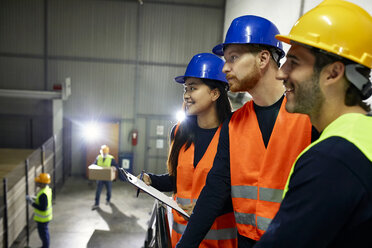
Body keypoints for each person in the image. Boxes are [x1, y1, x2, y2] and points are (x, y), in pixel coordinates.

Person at [176, 15, 317, 248]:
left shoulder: (308, 116)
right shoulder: (233, 124)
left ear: (263, 58)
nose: (225, 68)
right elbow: (214, 192)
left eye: (233, 57)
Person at [254, 1, 372, 247]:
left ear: (333, 73)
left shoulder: (331, 160)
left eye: (294, 62)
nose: (280, 73)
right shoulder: (363, 138)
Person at [140, 53, 238, 247]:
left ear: (214, 93)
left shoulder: (236, 134)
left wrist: (209, 208)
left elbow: (243, 191)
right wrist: (151, 180)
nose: (186, 95)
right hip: (182, 239)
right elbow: (178, 180)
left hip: (219, 241)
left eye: (193, 88)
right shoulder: (179, 132)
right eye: (185, 89)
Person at [26, 173, 53, 248]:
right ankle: (45, 246)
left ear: (42, 183)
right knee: (45, 233)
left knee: (43, 234)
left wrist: (32, 203)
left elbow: (42, 208)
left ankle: (45, 247)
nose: (36, 183)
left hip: (42, 219)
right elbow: (42, 200)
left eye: (38, 182)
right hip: (46, 218)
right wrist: (34, 198)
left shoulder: (43, 194)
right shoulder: (47, 190)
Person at [91, 144, 117, 210]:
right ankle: (96, 204)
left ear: (107, 152)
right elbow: (94, 164)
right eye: (103, 153)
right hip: (100, 178)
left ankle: (108, 200)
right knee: (98, 191)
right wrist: (92, 166)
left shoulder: (111, 158)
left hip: (108, 178)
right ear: (101, 152)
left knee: (109, 190)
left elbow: (116, 166)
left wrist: (114, 168)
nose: (104, 154)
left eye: (105, 153)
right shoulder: (98, 157)